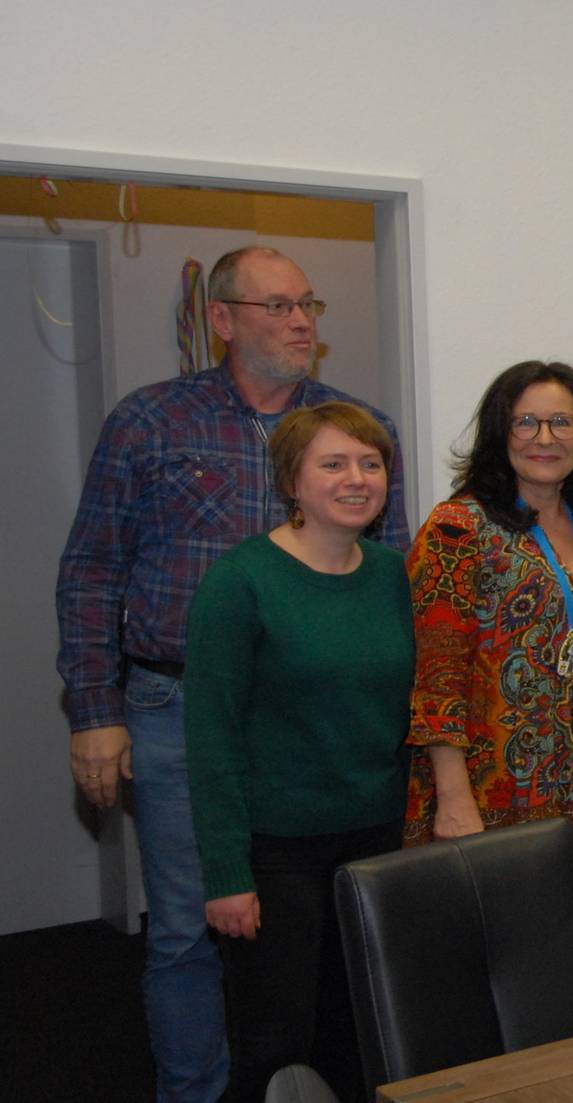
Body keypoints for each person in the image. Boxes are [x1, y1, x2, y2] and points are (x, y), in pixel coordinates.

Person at [55, 245, 408, 1103]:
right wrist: (95, 708)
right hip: (179, 704)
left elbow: (391, 571)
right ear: (222, 319)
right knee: (193, 923)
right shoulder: (150, 421)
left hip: (313, 716)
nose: (300, 322)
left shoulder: (356, 428)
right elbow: (94, 569)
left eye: (309, 306)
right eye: (278, 306)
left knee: (318, 936)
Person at [183, 403, 411, 1102]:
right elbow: (211, 736)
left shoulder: (393, 575)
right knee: (276, 1043)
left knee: (362, 1035)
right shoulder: (240, 583)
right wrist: (226, 872)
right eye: (334, 463)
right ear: (292, 479)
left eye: (370, 464)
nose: (356, 478)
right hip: (276, 854)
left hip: (376, 843)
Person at [404, 360, 573, 948]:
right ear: (499, 432)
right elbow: (437, 678)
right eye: (527, 423)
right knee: (502, 961)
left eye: (562, 422)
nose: (546, 439)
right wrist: (453, 795)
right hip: (496, 785)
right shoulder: (457, 529)